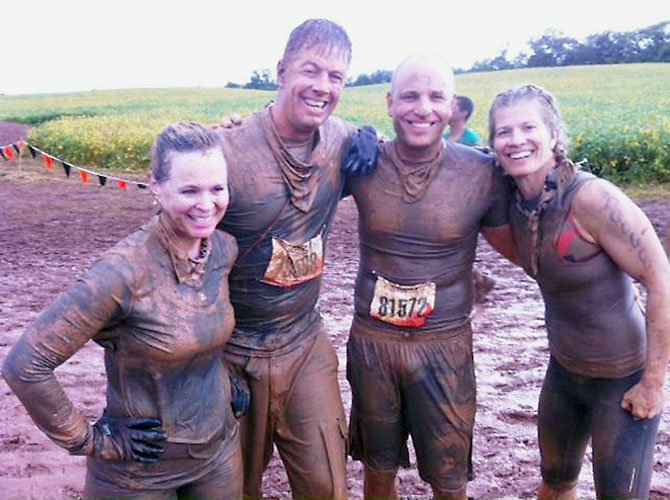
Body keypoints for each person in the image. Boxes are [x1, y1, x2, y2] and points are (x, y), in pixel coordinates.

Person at [2, 122, 243, 499]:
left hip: (218, 455)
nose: (207, 203)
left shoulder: (224, 250)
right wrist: (91, 440)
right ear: (157, 188)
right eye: (189, 190)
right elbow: (24, 365)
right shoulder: (121, 273)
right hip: (137, 473)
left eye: (217, 188)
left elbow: (206, 330)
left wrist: (226, 376)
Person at [215, 18, 375, 500]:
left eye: (337, 77)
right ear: (282, 71)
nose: (323, 87)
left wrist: (370, 133)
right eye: (312, 70)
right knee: (232, 488)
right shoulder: (227, 151)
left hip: (304, 340)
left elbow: (413, 163)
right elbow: (173, 246)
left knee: (327, 485)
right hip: (231, 350)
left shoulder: (343, 141)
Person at [345, 53, 516, 500]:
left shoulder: (481, 173)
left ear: (452, 103)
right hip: (372, 343)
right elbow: (297, 150)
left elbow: (523, 251)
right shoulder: (360, 163)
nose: (422, 108)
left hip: (445, 345)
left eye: (435, 96)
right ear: (389, 102)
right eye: (410, 96)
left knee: (449, 475)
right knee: (377, 464)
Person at [488, 83, 670, 499]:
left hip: (622, 381)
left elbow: (661, 280)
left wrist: (653, 384)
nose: (516, 140)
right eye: (504, 132)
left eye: (528, 127)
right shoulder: (514, 203)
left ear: (553, 135)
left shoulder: (592, 199)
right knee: (555, 483)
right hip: (565, 375)